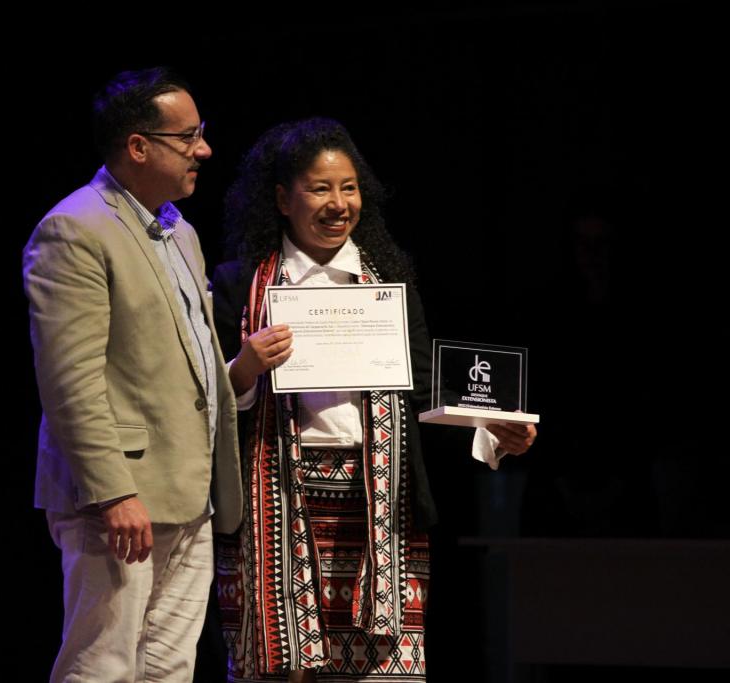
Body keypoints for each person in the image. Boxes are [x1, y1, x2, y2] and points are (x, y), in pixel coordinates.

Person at [211, 118, 536, 682]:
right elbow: (201, 404)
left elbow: (426, 388)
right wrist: (244, 367)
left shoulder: (388, 282)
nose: (339, 204)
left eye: (349, 188)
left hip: (378, 506)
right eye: (320, 189)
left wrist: (491, 425)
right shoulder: (240, 284)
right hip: (276, 506)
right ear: (284, 199)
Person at [22, 67, 242, 682]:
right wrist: (113, 492)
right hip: (121, 499)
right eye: (188, 136)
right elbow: (70, 381)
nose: (204, 149)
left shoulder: (180, 231)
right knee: (102, 664)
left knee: (169, 669)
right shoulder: (75, 230)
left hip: (187, 492)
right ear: (138, 146)